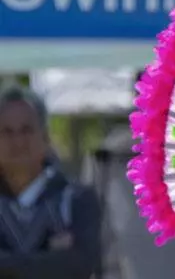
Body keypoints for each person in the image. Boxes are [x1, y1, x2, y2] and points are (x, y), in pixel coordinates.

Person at [0, 83, 102, 279]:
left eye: (26, 130)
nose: (18, 141)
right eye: (7, 132)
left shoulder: (76, 200)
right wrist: (50, 257)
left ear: (45, 138)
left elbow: (80, 265)